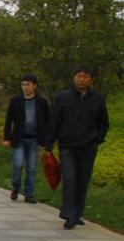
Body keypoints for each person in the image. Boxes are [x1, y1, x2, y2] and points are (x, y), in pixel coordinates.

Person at [45, 65, 110, 229]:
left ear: (92, 80)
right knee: (69, 179)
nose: (82, 80)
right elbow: (54, 122)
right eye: (79, 76)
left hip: (88, 146)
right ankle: (68, 214)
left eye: (85, 77)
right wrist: (49, 144)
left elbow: (104, 123)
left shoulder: (98, 99)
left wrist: (97, 138)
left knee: (82, 180)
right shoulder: (62, 98)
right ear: (74, 78)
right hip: (67, 145)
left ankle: (77, 213)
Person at [4, 74, 51, 204]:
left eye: (28, 85)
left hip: (34, 139)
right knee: (18, 164)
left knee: (31, 168)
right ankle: (16, 186)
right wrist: (7, 137)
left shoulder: (42, 102)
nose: (25, 87)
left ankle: (29, 194)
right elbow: (9, 120)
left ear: (34, 86)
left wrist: (48, 141)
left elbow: (47, 121)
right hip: (19, 138)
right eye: (23, 85)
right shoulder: (16, 101)